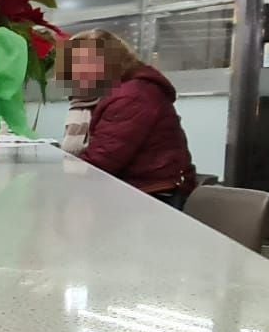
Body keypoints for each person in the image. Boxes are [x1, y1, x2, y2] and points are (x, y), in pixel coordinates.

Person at [61, 29, 195, 205]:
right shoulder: (109, 93)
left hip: (155, 194)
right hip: (137, 188)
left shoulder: (132, 96)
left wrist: (53, 172)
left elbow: (103, 161)